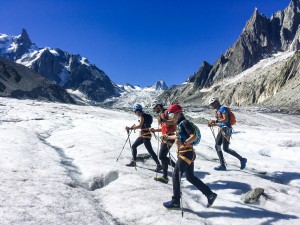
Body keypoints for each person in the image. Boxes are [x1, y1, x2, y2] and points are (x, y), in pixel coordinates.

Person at [163, 104, 217, 209]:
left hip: (186, 153)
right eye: (170, 114)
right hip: (188, 153)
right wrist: (168, 136)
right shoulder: (180, 124)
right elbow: (178, 136)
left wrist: (184, 142)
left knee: (176, 175)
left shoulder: (184, 122)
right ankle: (210, 195)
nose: (171, 116)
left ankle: (176, 201)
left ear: (178, 113)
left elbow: (193, 135)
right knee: (190, 177)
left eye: (172, 114)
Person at [208, 97, 247, 171]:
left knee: (225, 148)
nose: (212, 105)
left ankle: (241, 159)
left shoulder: (222, 108)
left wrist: (215, 122)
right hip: (223, 129)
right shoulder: (218, 110)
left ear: (216, 102)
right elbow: (222, 122)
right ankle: (223, 164)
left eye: (212, 104)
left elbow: (225, 119)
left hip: (226, 130)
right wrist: (213, 124)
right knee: (218, 146)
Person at [125, 104, 162, 172]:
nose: (135, 113)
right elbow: (143, 125)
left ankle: (159, 165)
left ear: (137, 111)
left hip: (145, 135)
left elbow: (140, 126)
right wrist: (133, 127)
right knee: (134, 146)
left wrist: (130, 128)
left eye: (135, 112)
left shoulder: (142, 116)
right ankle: (134, 161)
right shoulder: (147, 116)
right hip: (145, 135)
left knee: (150, 150)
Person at [150, 99, 176, 184]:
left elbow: (174, 121)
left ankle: (177, 167)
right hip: (166, 137)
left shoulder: (167, 112)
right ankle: (165, 177)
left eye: (155, 108)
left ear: (158, 105)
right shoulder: (162, 114)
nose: (154, 110)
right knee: (163, 156)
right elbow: (164, 128)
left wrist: (163, 120)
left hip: (170, 136)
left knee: (161, 156)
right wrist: (155, 130)